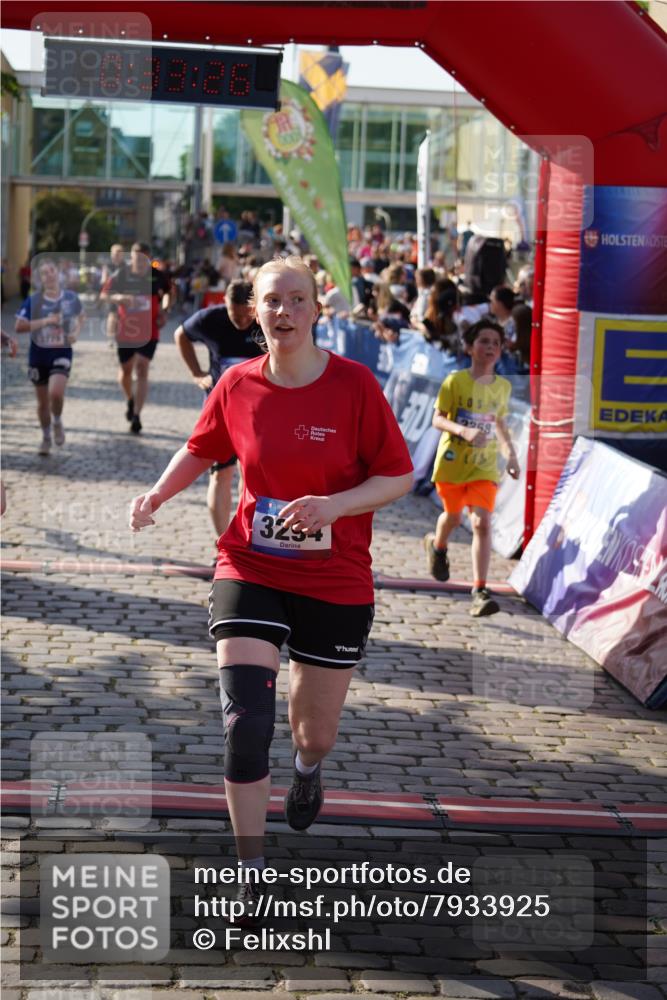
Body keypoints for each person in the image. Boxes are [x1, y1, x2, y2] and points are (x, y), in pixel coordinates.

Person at [130, 255, 412, 908]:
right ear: (253, 311)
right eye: (271, 301)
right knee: (246, 724)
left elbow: (397, 475)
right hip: (249, 566)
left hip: (335, 579)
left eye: (296, 299)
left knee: (314, 733)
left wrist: (335, 506)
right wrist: (157, 494)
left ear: (316, 309)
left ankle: (307, 770)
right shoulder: (237, 384)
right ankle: (250, 870)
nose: (284, 311)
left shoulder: (354, 385)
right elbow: (202, 447)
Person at [424, 318, 520, 617]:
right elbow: (437, 419)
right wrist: (463, 431)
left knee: (481, 523)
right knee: (452, 517)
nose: (490, 347)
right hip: (452, 464)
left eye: (496, 343)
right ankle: (437, 546)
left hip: (484, 467)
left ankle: (480, 590)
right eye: (484, 341)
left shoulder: (503, 387)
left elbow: (500, 424)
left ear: (501, 351)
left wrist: (511, 455)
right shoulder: (455, 381)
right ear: (469, 347)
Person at [174, 280, 264, 539]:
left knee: (252, 478)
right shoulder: (210, 319)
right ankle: (223, 542)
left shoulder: (265, 320)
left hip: (261, 412)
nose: (242, 322)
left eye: (246, 316)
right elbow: (181, 335)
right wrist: (196, 373)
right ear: (225, 304)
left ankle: (247, 539)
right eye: (235, 316)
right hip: (222, 411)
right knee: (221, 475)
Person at [15, 257, 84, 456]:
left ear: (58, 273)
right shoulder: (34, 300)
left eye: (52, 270)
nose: (49, 275)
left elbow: (81, 316)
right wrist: (45, 321)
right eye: (44, 273)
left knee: (55, 393)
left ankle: (57, 421)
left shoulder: (70, 298)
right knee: (43, 402)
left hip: (61, 351)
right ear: (40, 278)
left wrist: (75, 333)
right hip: (38, 354)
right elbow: (19, 326)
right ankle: (46, 437)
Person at [101, 242, 165, 434]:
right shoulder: (121, 274)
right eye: (137, 259)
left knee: (142, 369)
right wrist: (119, 298)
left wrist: (165, 310)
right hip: (126, 330)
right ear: (132, 257)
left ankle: (137, 415)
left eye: (144, 260)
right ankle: (130, 399)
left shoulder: (157, 276)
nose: (140, 263)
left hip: (150, 330)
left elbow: (169, 293)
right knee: (126, 371)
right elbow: (104, 295)